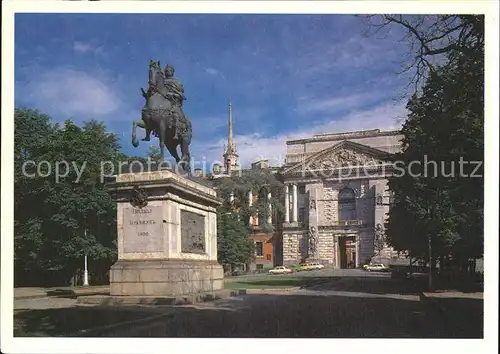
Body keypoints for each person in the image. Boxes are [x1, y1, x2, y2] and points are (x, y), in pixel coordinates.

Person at [163, 64, 187, 139]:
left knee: (176, 114)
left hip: (173, 102)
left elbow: (182, 96)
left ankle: (177, 131)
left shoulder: (177, 83)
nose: (167, 72)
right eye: (166, 71)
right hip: (162, 102)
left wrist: (173, 94)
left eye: (169, 70)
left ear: (172, 72)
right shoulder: (161, 81)